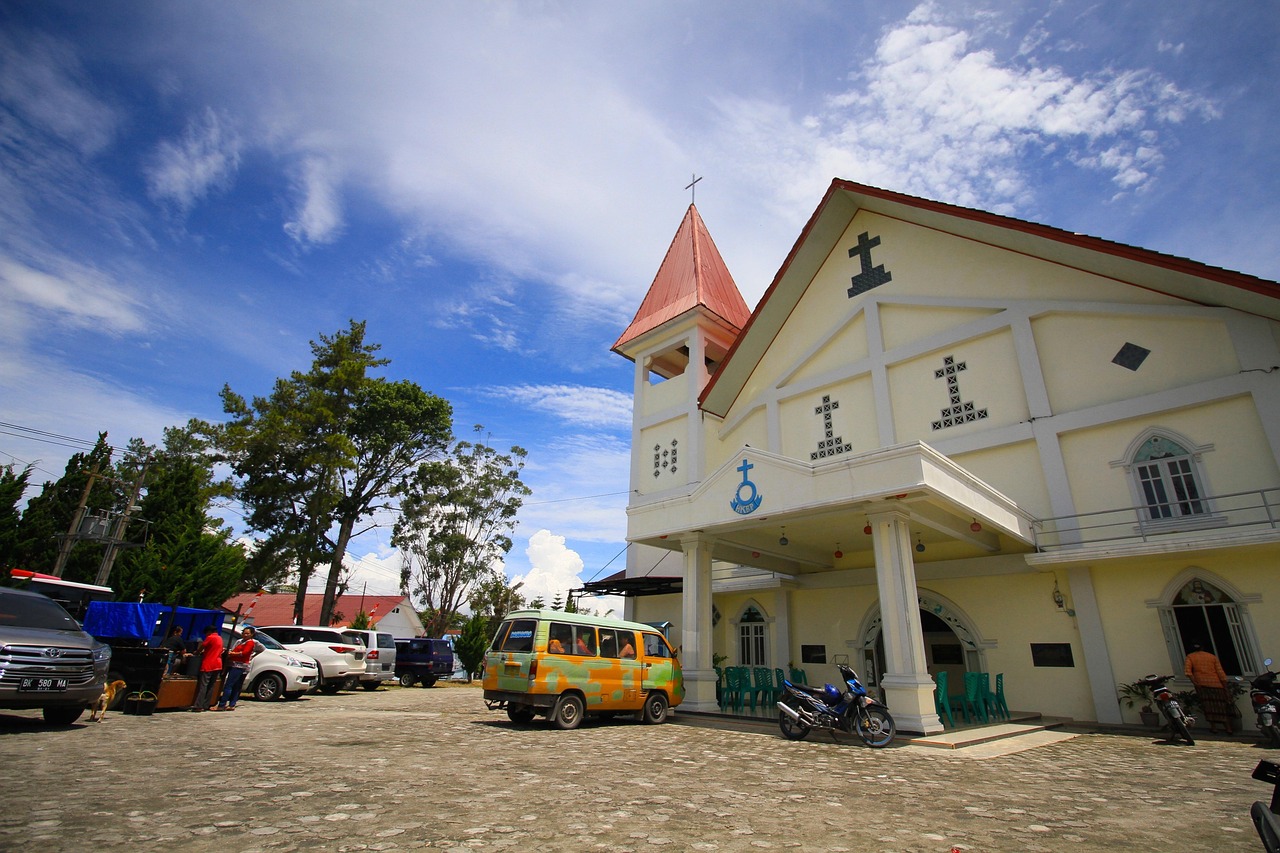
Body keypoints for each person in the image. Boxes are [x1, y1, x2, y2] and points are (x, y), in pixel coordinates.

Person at [1185, 643, 1235, 734]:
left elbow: (1188, 672)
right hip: (1216, 684)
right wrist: (1225, 686)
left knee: (1208, 706)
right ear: (1203, 647)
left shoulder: (1191, 657)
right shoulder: (1212, 657)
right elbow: (1220, 672)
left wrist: (1195, 683)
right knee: (1221, 706)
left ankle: (1214, 727)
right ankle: (1228, 728)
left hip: (1202, 684)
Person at [216, 626, 264, 711]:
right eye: (244, 633)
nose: (245, 635)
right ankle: (231, 704)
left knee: (230, 685)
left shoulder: (251, 643)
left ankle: (222, 704)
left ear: (252, 634)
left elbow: (245, 653)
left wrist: (251, 656)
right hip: (234, 664)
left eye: (247, 633)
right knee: (235, 685)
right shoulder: (240, 641)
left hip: (240, 666)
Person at [191, 625, 224, 712]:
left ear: (209, 631)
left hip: (209, 663)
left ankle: (198, 705)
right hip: (218, 664)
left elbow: (202, 647)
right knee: (211, 685)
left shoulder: (210, 637)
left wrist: (196, 653)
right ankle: (206, 704)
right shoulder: (219, 638)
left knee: (203, 685)